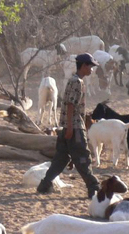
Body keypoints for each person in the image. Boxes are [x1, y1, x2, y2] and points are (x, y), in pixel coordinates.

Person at [37, 53, 101, 198]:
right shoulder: (77, 82)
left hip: (68, 126)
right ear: (84, 66)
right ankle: (94, 187)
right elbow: (71, 104)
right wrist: (71, 128)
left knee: (60, 159)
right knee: (83, 158)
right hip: (74, 127)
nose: (92, 69)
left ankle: (45, 184)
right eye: (90, 66)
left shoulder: (75, 80)